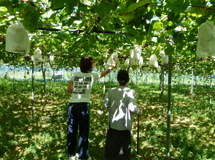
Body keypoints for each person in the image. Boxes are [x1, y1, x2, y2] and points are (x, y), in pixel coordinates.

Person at [67, 57, 118, 160]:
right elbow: (105, 72)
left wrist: (77, 91)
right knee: (84, 131)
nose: (93, 66)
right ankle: (82, 156)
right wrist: (113, 66)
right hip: (83, 105)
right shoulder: (92, 76)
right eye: (92, 64)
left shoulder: (74, 74)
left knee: (71, 129)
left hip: (72, 105)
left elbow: (69, 90)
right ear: (89, 66)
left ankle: (71, 154)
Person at [103, 69, 140, 160]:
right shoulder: (130, 92)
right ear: (128, 80)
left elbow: (105, 105)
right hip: (125, 127)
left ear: (117, 79)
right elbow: (132, 108)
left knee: (112, 151)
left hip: (113, 126)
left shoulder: (111, 91)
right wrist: (139, 111)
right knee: (124, 152)